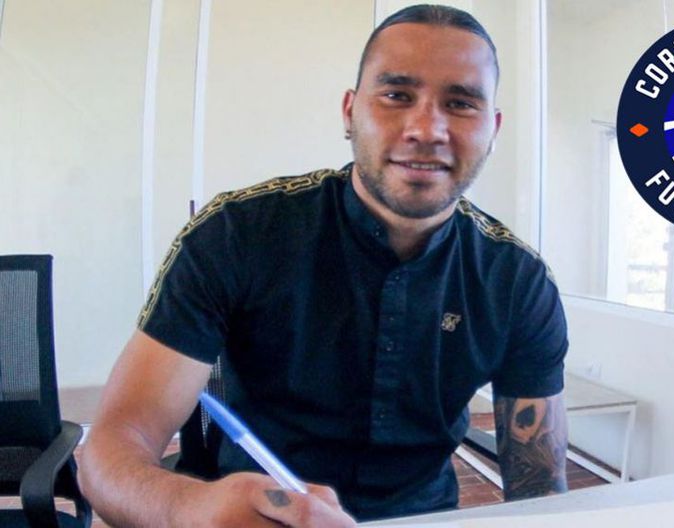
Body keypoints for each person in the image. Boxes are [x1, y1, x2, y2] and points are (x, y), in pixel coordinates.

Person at [79, 4, 569, 527]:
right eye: (397, 95)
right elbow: (110, 451)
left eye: (461, 103)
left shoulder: (518, 282)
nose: (427, 128)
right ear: (349, 112)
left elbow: (540, 490)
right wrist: (187, 507)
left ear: (493, 129)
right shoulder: (236, 234)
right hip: (250, 514)